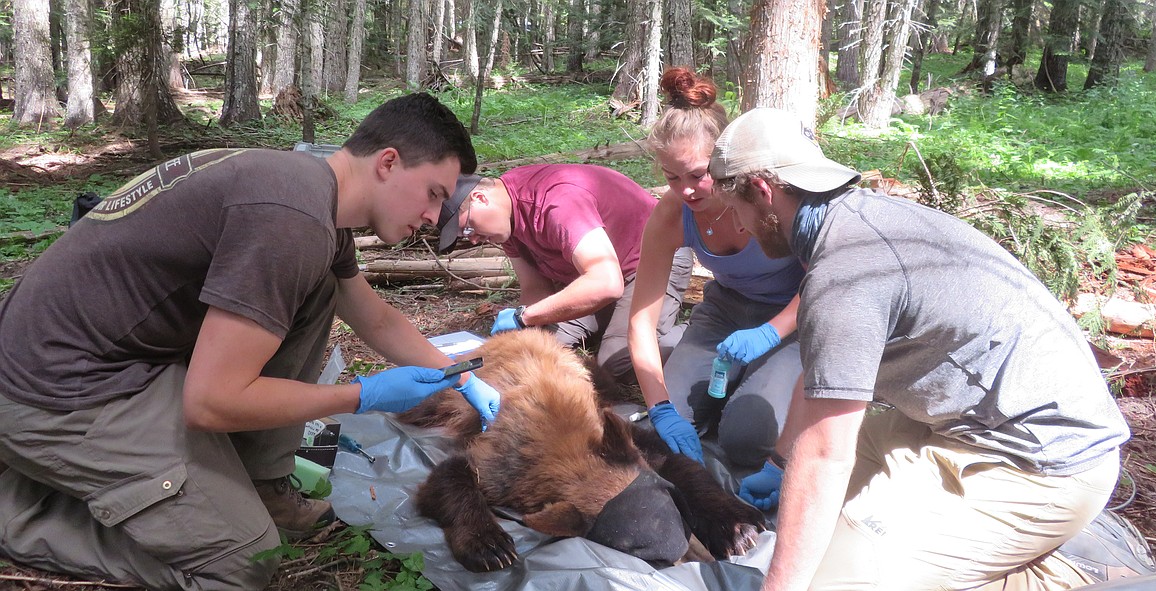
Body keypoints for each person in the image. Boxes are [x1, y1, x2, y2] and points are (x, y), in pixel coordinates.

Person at [0, 93, 502, 590]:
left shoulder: (313, 196)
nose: (437, 217)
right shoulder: (290, 218)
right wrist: (362, 395)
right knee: (244, 562)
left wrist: (459, 376)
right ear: (388, 162)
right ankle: (17, 513)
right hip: (54, 392)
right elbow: (211, 404)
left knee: (323, 286)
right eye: (434, 194)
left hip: (112, 359)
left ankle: (261, 483)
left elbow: (376, 319)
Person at [712, 107, 1132, 590]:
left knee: (835, 580)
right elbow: (827, 374)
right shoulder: (857, 222)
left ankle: (1042, 574)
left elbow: (827, 453)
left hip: (1044, 464)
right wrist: (780, 462)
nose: (739, 225)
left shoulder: (845, 272)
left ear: (763, 191)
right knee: (818, 509)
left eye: (736, 208)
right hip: (972, 420)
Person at [627, 68, 803, 503]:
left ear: (725, 159)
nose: (686, 190)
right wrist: (661, 409)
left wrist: (771, 333)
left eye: (698, 174)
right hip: (726, 310)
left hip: (794, 316)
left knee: (746, 438)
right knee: (661, 431)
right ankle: (723, 394)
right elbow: (641, 322)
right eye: (672, 177)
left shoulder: (767, 193)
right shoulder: (672, 213)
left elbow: (826, 278)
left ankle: (755, 394)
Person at [435, 163, 693, 383]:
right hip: (591, 276)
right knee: (538, 349)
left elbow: (607, 283)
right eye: (463, 236)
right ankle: (614, 322)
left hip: (650, 260)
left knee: (619, 363)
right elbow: (534, 290)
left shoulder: (557, 202)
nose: (473, 240)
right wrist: (524, 334)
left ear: (481, 198)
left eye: (467, 229)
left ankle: (703, 330)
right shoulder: (505, 220)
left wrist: (524, 317)